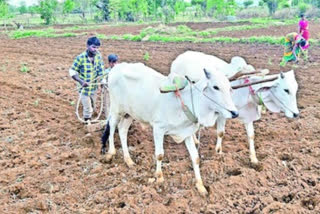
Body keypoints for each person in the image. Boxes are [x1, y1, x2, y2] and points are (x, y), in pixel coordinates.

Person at [69, 36, 105, 123]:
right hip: (84, 89)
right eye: (93, 47)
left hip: (93, 87)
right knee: (88, 108)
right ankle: (87, 122)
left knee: (93, 105)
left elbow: (101, 70)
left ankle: (90, 115)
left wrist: (102, 80)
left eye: (97, 47)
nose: (95, 49)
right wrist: (81, 82)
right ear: (88, 46)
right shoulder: (80, 58)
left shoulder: (98, 56)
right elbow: (72, 72)